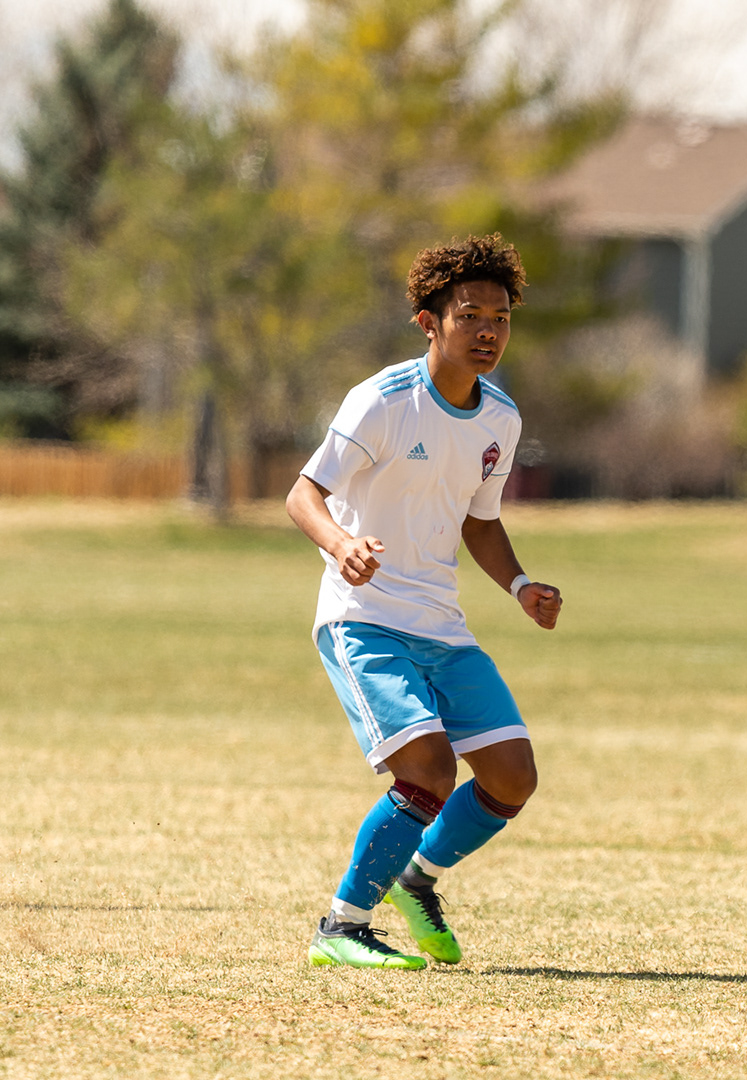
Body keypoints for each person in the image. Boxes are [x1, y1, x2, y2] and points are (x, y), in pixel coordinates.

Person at [288, 234, 563, 969]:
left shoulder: (500, 419)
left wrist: (520, 585)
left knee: (512, 776)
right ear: (428, 322)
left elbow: (480, 521)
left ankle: (416, 880)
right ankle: (341, 927)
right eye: (469, 315)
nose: (487, 331)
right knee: (430, 771)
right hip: (365, 621)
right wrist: (342, 546)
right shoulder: (382, 401)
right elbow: (303, 494)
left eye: (500, 318)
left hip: (442, 626)